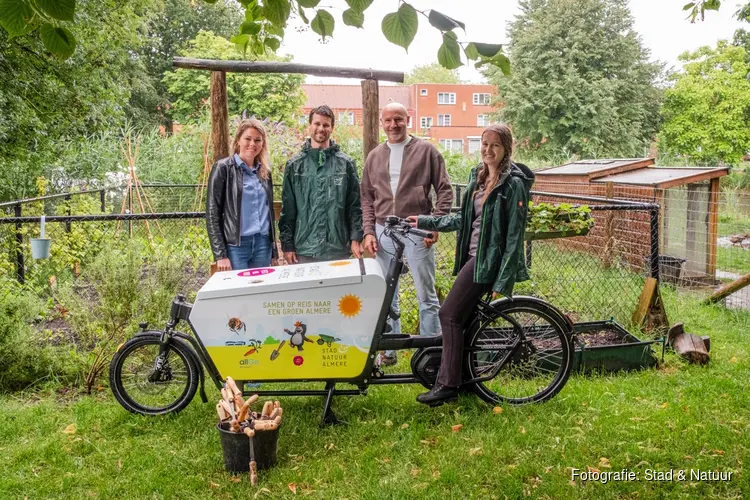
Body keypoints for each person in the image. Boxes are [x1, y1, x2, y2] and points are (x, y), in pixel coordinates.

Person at [407, 123, 535, 406]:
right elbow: (462, 220)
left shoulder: (512, 185)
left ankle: (447, 384)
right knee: (461, 320)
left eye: (495, 145)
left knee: (449, 315)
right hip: (473, 259)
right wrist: (425, 220)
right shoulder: (477, 178)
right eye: (485, 143)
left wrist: (503, 281)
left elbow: (515, 236)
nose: (488, 150)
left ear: (506, 150)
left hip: (487, 262)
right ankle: (461, 380)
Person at [360, 102, 453, 365]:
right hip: (383, 231)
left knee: (427, 294)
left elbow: (445, 190)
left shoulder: (426, 152)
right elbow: (366, 197)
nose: (393, 125)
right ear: (382, 122)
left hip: (416, 229)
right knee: (388, 293)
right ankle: (390, 354)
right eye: (388, 120)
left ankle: (430, 356)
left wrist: (433, 223)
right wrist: (369, 231)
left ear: (408, 119)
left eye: (398, 119)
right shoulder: (374, 156)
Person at [279, 105, 363, 263]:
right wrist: (287, 244)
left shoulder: (346, 164)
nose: (321, 128)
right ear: (309, 125)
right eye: (317, 124)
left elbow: (354, 206)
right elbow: (288, 209)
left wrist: (355, 238)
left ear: (332, 128)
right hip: (304, 247)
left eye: (326, 125)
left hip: (338, 247)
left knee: (340, 288)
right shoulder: (295, 166)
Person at [207, 118, 278, 272]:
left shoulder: (265, 172)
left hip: (262, 244)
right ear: (238, 139)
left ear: (262, 144)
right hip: (236, 246)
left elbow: (269, 212)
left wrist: (273, 251)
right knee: (238, 293)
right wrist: (220, 255)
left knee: (261, 292)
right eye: (248, 138)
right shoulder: (223, 168)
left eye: (257, 140)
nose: (252, 144)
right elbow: (213, 214)